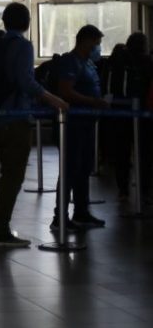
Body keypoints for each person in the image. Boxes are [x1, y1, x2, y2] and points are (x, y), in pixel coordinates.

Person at [0, 3, 67, 247]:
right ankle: (0, 231)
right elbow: (25, 81)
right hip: (16, 118)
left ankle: (0, 227)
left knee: (7, 174)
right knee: (13, 175)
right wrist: (53, 99)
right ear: (27, 22)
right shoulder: (22, 46)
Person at [52, 24, 108, 231]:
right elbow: (65, 91)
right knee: (69, 170)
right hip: (72, 126)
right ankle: (60, 217)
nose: (98, 48)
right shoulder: (70, 61)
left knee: (84, 169)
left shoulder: (89, 65)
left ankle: (81, 213)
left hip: (87, 125)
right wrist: (92, 102)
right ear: (85, 41)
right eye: (96, 44)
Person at [105, 34, 153, 203]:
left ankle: (123, 190)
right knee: (144, 152)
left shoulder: (116, 60)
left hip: (119, 111)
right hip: (142, 113)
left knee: (122, 153)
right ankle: (144, 189)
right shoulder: (147, 61)